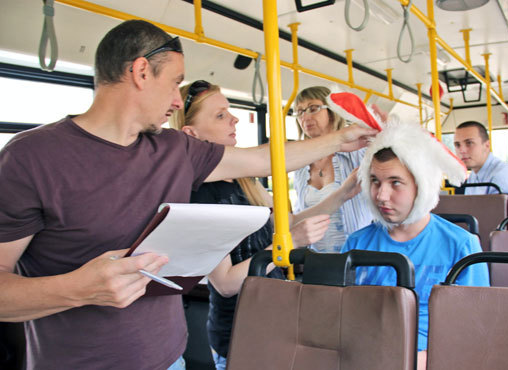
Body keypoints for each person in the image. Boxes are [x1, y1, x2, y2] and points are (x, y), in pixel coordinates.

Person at [0, 20, 377, 370]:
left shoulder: (174, 149)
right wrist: (76, 289)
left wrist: (342, 139)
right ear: (141, 72)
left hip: (170, 358)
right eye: (174, 82)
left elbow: (263, 160)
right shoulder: (30, 158)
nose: (178, 101)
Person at [169, 81, 362, 370]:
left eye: (230, 112)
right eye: (220, 115)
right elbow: (225, 283)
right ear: (191, 134)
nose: (233, 119)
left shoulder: (245, 179)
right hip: (240, 327)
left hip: (278, 313)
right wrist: (289, 243)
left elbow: (288, 223)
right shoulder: (197, 193)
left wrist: (342, 194)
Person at [340, 116, 490, 369]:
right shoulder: (356, 244)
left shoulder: (461, 246)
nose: (381, 196)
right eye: (375, 181)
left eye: (395, 183)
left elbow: (474, 328)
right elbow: (340, 315)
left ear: (422, 186)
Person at [293, 86, 380, 253]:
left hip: (360, 254)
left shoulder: (359, 154)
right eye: (300, 112)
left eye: (313, 109)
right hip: (317, 257)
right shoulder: (301, 166)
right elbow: (301, 212)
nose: (305, 117)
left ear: (332, 112)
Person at [454, 121, 508, 194]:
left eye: (469, 143)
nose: (462, 150)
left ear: (487, 145)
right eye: (457, 145)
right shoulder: (473, 176)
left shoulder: (502, 176)